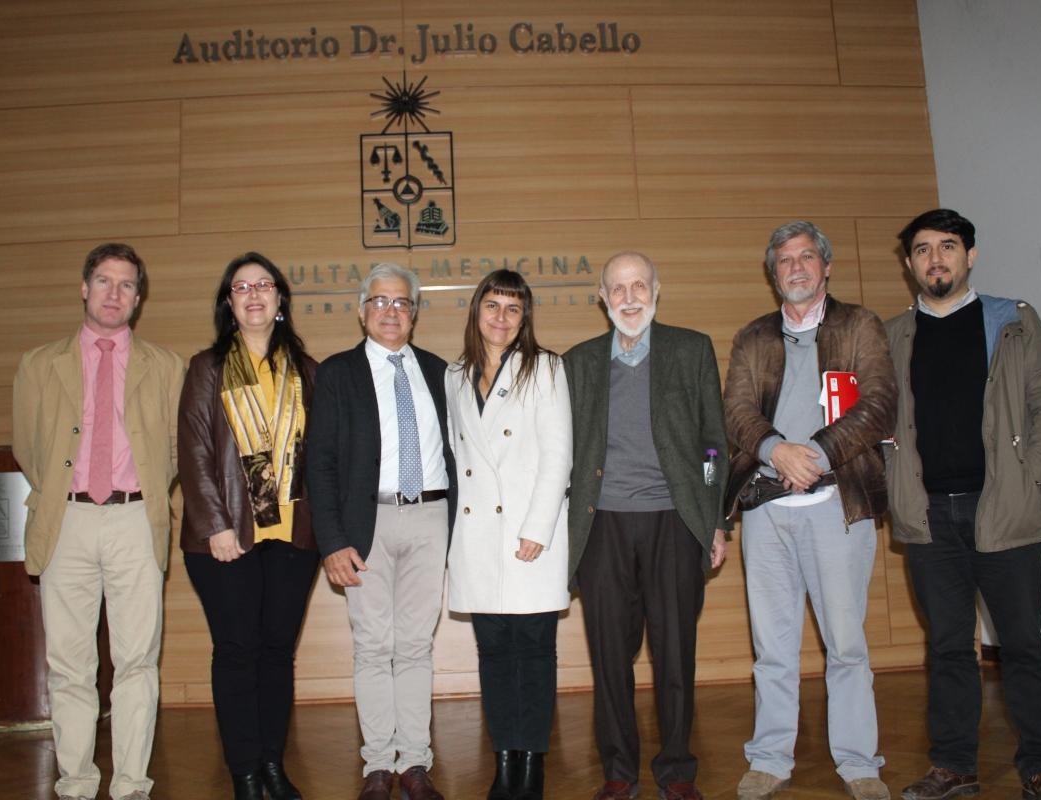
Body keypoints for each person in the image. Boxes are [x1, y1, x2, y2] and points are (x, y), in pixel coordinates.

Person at [885, 209, 1041, 800]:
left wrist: (1030, 479)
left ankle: (1040, 768)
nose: (935, 259)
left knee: (1022, 645)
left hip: (1005, 513)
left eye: (947, 247)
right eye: (922, 250)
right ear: (910, 264)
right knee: (946, 648)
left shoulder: (1011, 322)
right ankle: (954, 768)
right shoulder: (892, 335)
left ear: (970, 256)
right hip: (928, 518)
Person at [723, 221, 896, 800]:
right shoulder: (753, 337)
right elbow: (737, 413)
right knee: (771, 646)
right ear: (773, 275)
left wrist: (815, 454)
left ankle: (859, 764)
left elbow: (878, 406)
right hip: (767, 509)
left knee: (846, 643)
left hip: (838, 507)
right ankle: (769, 758)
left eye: (804, 258)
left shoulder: (860, 325)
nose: (794, 268)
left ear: (826, 267)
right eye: (783, 261)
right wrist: (777, 451)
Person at [12, 243, 185, 800]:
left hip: (137, 520)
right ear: (84, 288)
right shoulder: (40, 364)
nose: (115, 293)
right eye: (105, 281)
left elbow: (176, 452)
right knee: (69, 664)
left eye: (127, 285)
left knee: (137, 659)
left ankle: (132, 784)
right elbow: (28, 448)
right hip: (66, 522)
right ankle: (76, 782)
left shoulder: (167, 366)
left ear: (139, 298)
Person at [564, 250, 728, 800]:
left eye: (639, 285)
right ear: (602, 298)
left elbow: (712, 442)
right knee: (609, 653)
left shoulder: (691, 349)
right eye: (618, 288)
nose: (629, 297)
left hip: (675, 522)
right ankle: (618, 770)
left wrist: (712, 518)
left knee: (675, 651)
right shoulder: (578, 362)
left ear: (658, 290)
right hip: (602, 525)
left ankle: (677, 770)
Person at [305, 263, 457, 800]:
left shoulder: (442, 372)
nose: (390, 312)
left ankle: (415, 763)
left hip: (430, 518)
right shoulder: (337, 373)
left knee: (416, 645)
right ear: (362, 310)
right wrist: (332, 540)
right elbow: (318, 464)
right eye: (380, 302)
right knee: (373, 647)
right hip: (363, 525)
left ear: (414, 313)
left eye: (401, 303)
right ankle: (376, 765)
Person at [178, 253, 321, 800]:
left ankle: (271, 766)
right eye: (242, 287)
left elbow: (322, 457)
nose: (254, 294)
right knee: (236, 651)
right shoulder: (206, 368)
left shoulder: (309, 371)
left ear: (281, 299)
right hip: (226, 539)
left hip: (292, 537)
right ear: (229, 303)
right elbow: (192, 452)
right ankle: (243, 773)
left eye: (264, 285)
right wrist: (215, 524)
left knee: (277, 653)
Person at [445, 270, 572, 800]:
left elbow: (558, 454)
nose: (501, 318)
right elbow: (458, 458)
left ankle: (532, 763)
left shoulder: (544, 367)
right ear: (477, 312)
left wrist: (536, 529)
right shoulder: (454, 376)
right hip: (478, 539)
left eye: (513, 309)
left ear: (525, 319)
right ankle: (504, 759)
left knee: (536, 652)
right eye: (492, 306)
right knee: (493, 655)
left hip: (530, 535)